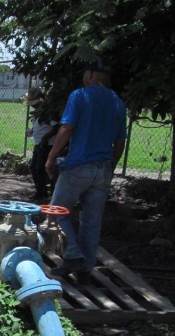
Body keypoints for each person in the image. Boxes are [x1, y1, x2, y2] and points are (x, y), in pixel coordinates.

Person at [45, 55, 127, 282]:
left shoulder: (80, 95)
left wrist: (51, 157)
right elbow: (120, 142)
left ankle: (72, 254)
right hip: (103, 169)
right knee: (91, 222)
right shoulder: (118, 102)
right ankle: (85, 269)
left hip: (78, 166)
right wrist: (111, 166)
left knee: (56, 212)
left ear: (89, 74)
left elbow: (67, 128)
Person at [21, 87, 59, 201]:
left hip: (47, 145)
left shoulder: (47, 113)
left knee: (42, 169)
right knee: (34, 167)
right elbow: (42, 127)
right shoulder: (38, 112)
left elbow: (57, 126)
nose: (31, 105)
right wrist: (32, 131)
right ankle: (41, 191)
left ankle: (44, 193)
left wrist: (45, 138)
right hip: (39, 144)